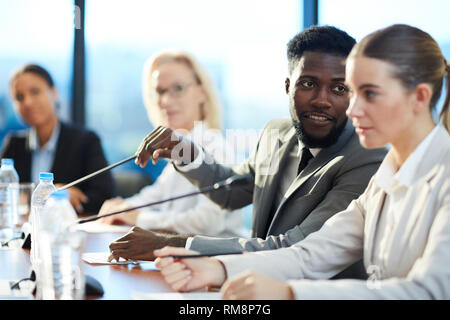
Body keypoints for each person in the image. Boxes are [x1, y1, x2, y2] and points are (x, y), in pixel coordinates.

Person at [154, 24, 450, 299]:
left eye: (368, 93)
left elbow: (427, 290)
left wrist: (290, 293)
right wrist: (217, 269)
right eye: (354, 91)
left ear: (420, 98)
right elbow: (311, 254)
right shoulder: (387, 176)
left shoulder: (426, 174)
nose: (353, 108)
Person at [108, 26, 387, 280]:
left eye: (339, 88)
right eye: (308, 83)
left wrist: (169, 244)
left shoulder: (366, 158)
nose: (322, 100)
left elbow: (294, 247)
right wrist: (183, 150)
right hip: (252, 284)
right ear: (288, 86)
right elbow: (231, 191)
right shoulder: (275, 134)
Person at [98, 50, 245, 238]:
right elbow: (154, 197)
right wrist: (121, 207)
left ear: (202, 92)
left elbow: (208, 223)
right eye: (159, 91)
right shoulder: (180, 146)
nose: (165, 101)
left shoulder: (216, 148)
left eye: (178, 88)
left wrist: (139, 218)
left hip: (211, 261)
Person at [1, 64, 115, 215]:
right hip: (23, 235)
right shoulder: (14, 144)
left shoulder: (86, 141)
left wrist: (61, 198)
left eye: (35, 92)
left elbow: (106, 198)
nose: (27, 102)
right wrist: (50, 196)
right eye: (19, 97)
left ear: (54, 93)